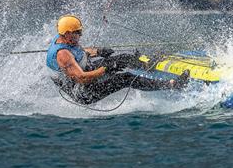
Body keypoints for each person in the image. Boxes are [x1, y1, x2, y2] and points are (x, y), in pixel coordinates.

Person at [46, 15, 186, 105]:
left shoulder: (66, 39)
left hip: (86, 69)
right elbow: (82, 78)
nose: (80, 35)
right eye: (78, 32)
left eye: (80, 31)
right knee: (125, 78)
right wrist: (106, 68)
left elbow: (80, 53)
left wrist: (98, 52)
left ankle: (147, 64)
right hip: (84, 92)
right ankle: (173, 84)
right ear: (68, 33)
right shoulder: (63, 55)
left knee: (123, 58)